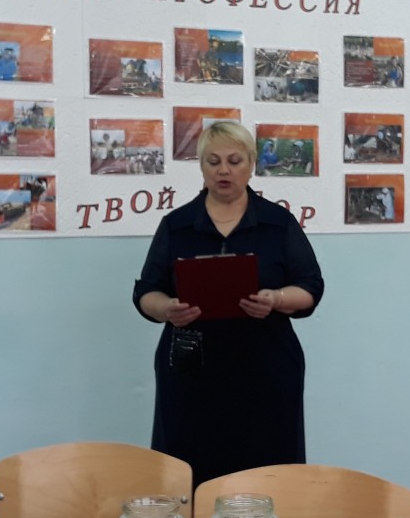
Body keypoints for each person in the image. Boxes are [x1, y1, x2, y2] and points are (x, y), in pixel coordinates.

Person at [133, 121, 324, 486]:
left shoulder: (277, 223)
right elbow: (146, 293)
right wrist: (167, 308)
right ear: (201, 166)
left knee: (268, 470)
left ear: (251, 165)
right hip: (192, 372)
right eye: (213, 161)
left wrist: (277, 299)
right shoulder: (176, 225)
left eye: (235, 161)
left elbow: (311, 287)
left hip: (266, 367)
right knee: (191, 467)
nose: (224, 170)